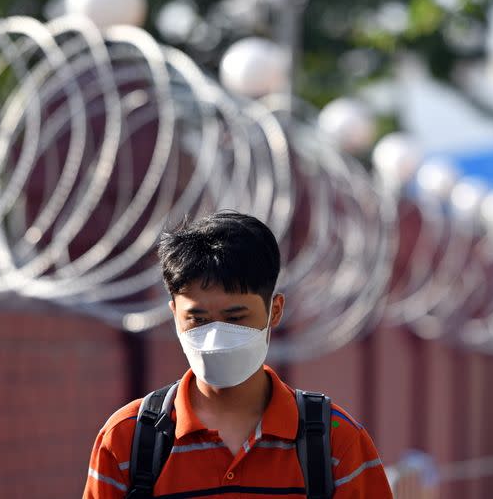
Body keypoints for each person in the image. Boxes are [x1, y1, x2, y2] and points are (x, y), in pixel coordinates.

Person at [83, 211, 392, 498]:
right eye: (198, 319)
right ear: (174, 313)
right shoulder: (128, 439)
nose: (216, 336)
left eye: (235, 318)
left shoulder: (335, 441)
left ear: (275, 311)